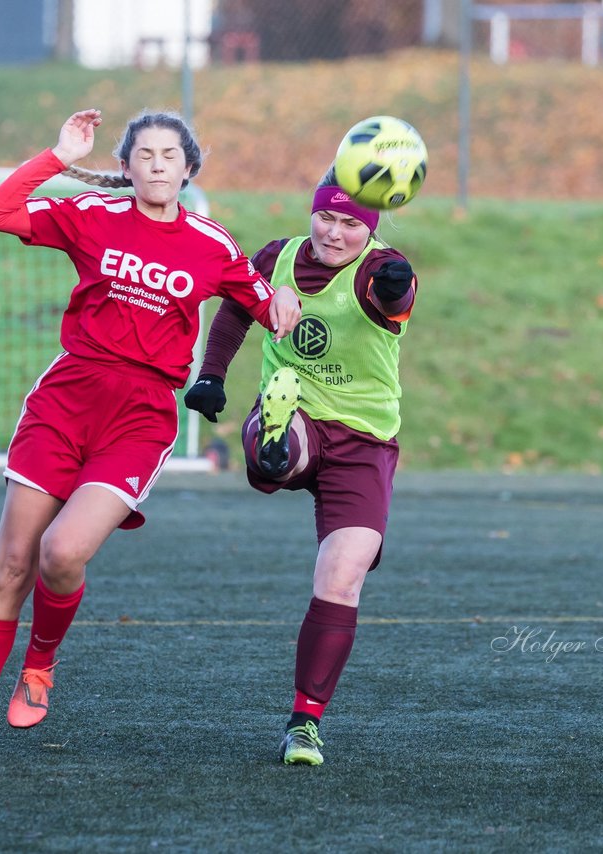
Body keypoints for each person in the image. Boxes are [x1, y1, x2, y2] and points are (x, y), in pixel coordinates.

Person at [0, 108, 301, 769]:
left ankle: (40, 663)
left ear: (189, 168)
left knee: (63, 553)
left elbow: (267, 308)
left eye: (171, 155)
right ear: (127, 167)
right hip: (65, 401)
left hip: (138, 419)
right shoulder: (90, 216)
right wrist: (56, 156)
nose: (159, 164)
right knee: (12, 567)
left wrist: (287, 306)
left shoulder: (214, 245)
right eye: (146, 154)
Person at [184, 175, 418, 766]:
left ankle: (304, 724)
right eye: (326, 218)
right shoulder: (276, 257)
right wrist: (211, 374)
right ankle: (273, 442)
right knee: (282, 450)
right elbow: (238, 310)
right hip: (301, 414)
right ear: (311, 214)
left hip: (366, 441)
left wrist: (397, 289)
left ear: (371, 230)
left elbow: (397, 301)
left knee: (343, 577)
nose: (335, 232)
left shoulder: (381, 269)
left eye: (351, 224)